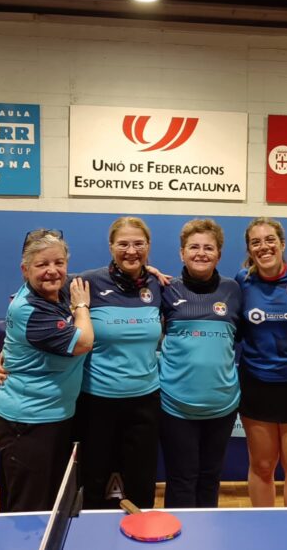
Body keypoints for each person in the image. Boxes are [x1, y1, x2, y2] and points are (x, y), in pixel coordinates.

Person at [0, 229, 93, 512]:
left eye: (59, 263)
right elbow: (83, 342)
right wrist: (81, 307)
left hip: (53, 415)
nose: (52, 270)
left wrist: (148, 270)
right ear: (25, 270)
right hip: (29, 421)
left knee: (48, 503)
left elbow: (103, 275)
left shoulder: (58, 288)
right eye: (42, 264)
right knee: (29, 510)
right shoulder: (31, 309)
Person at [73, 216, 162, 510]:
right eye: (123, 244)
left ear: (148, 246)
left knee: (141, 483)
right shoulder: (86, 282)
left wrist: (151, 272)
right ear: (111, 247)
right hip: (97, 402)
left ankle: (141, 531)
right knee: (94, 481)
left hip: (145, 401)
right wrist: (8, 349)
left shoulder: (159, 285)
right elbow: (38, 295)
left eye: (138, 244)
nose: (131, 251)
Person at [236, 217, 287, 507]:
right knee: (262, 465)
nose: (264, 246)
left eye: (270, 239)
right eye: (256, 242)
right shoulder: (242, 282)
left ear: (282, 244)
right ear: (249, 249)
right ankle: (263, 529)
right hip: (257, 382)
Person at [159, 218, 242, 508]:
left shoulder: (233, 290)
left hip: (222, 405)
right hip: (176, 406)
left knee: (210, 478)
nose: (201, 253)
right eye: (194, 247)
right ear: (182, 253)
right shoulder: (165, 288)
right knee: (181, 479)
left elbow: (239, 335)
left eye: (209, 248)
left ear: (219, 254)